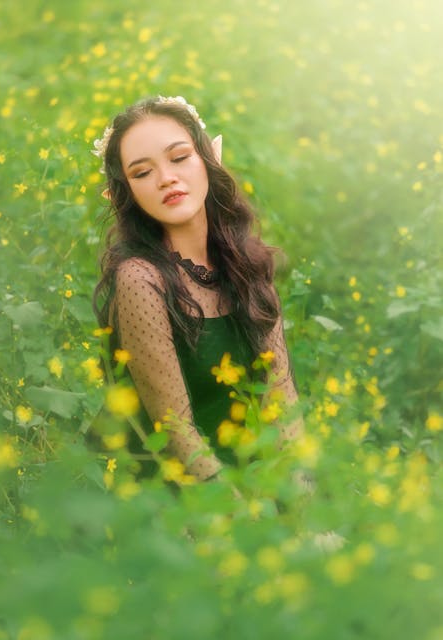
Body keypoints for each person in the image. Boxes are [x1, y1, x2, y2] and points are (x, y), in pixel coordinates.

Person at [91, 95, 302, 482]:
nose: (166, 178)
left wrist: (297, 497)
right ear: (128, 193)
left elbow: (282, 400)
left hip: (258, 481)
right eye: (141, 173)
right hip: (179, 496)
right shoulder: (141, 278)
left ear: (208, 160)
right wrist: (240, 515)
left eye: (179, 157)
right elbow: (176, 432)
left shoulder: (247, 264)